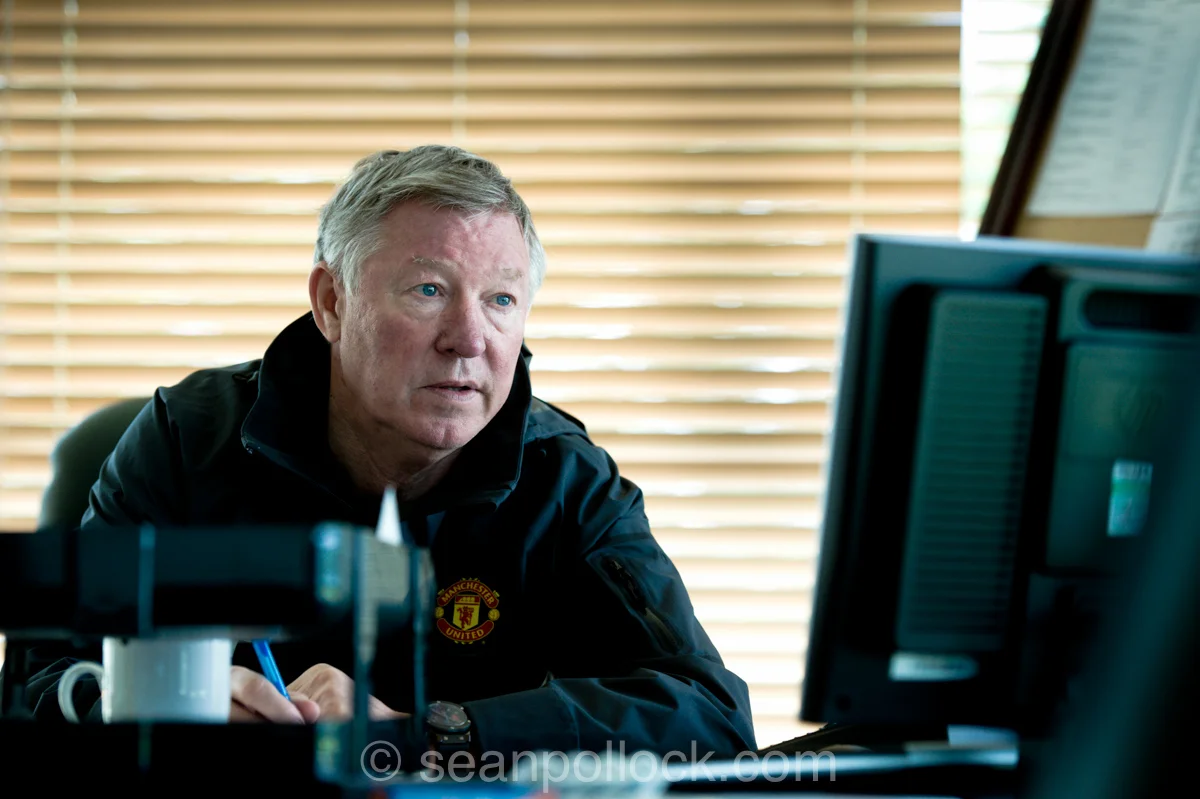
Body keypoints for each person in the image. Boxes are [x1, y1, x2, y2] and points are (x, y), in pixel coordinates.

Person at [23, 145, 756, 767]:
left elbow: (711, 715)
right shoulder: (186, 441)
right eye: (429, 290)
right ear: (331, 302)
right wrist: (147, 702)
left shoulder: (564, 476)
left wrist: (437, 733)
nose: (469, 338)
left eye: (501, 300)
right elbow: (36, 683)